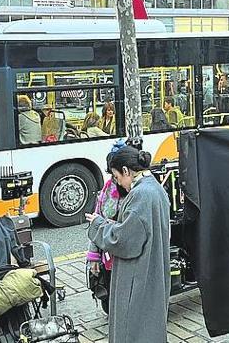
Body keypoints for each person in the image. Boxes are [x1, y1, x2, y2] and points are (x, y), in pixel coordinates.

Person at [86, 146, 170, 343]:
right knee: (150, 325)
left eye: (116, 177)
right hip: (153, 269)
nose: (117, 183)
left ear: (126, 171)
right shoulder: (156, 188)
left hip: (137, 276)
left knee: (132, 329)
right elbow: (139, 230)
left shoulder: (140, 194)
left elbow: (124, 241)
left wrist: (98, 224)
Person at [86, 140, 127, 313]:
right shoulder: (108, 188)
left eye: (115, 174)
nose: (113, 179)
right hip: (109, 256)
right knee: (111, 304)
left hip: (127, 258)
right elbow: (97, 218)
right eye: (111, 174)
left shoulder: (138, 193)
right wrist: (94, 256)